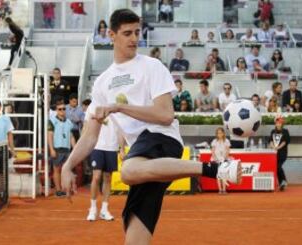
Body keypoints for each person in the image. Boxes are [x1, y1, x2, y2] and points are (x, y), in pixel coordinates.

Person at [61, 9, 241, 244]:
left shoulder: (151, 66)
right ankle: (215, 169)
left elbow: (166, 115)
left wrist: (119, 107)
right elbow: (89, 137)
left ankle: (214, 169)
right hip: (144, 159)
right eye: (127, 33)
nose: (135, 39)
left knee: (127, 171)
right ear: (111, 35)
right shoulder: (102, 83)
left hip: (162, 139)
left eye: (137, 32)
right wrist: (67, 166)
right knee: (134, 236)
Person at [85, 114, 124, 221]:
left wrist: (121, 149)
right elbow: (86, 127)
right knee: (96, 177)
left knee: (108, 178)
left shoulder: (117, 110)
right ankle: (93, 209)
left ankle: (104, 209)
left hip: (112, 147)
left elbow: (120, 131)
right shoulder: (94, 107)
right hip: (97, 146)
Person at [48, 100, 76, 197]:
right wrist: (51, 149)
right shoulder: (52, 121)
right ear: (56, 110)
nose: (62, 111)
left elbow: (71, 136)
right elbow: (50, 135)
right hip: (57, 148)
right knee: (56, 170)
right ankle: (58, 190)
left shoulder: (69, 122)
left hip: (67, 149)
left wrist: (75, 149)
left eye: (64, 109)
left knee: (67, 170)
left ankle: (65, 189)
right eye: (60, 109)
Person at [269, 116, 290, 191]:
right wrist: (273, 147)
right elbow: (270, 141)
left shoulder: (285, 131)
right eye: (277, 122)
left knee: (278, 166)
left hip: (282, 153)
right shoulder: (272, 131)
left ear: (282, 124)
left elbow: (285, 142)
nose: (278, 124)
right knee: (276, 168)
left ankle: (283, 181)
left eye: (280, 123)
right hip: (274, 154)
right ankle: (281, 183)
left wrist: (278, 148)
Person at [211, 127, 231, 194]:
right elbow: (213, 151)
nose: (219, 134)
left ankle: (224, 190)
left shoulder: (226, 141)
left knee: (224, 174)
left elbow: (228, 150)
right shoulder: (214, 141)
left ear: (223, 133)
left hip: (224, 160)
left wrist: (224, 159)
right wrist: (215, 159)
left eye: (220, 133)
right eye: (218, 133)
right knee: (218, 175)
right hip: (216, 160)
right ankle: (220, 189)